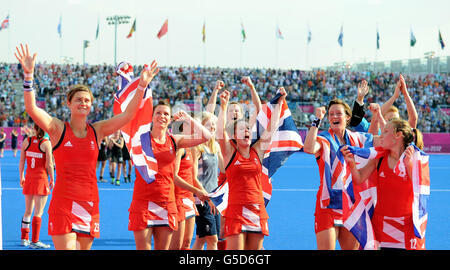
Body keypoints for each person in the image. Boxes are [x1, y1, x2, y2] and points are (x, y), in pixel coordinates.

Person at [15, 43, 160, 250]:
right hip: (63, 202)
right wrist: (28, 77)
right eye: (78, 100)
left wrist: (141, 86)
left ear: (91, 104)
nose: (83, 103)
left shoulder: (97, 130)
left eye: (87, 100)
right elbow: (31, 108)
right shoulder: (57, 129)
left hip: (89, 202)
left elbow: (128, 115)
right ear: (69, 104)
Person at [128, 102, 213, 250]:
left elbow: (206, 136)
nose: (162, 116)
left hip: (167, 203)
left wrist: (187, 118)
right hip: (143, 203)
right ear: (152, 117)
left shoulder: (174, 140)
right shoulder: (140, 140)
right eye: (158, 113)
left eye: (166, 114)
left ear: (170, 119)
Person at [303, 98, 380, 250]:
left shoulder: (355, 138)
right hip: (328, 206)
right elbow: (309, 148)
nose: (334, 117)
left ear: (347, 117)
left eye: (338, 113)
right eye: (331, 114)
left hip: (350, 205)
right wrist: (316, 120)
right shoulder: (324, 139)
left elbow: (373, 141)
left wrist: (377, 115)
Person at [216, 87, 286, 250]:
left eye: (248, 128)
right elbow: (220, 132)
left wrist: (280, 104)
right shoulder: (229, 152)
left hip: (257, 209)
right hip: (236, 210)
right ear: (234, 135)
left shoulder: (257, 151)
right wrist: (223, 106)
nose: (246, 130)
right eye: (242, 129)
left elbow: (271, 129)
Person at [341, 116, 425, 250]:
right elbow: (359, 179)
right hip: (381, 225)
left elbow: (418, 188)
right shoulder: (379, 158)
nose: (380, 135)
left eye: (385, 131)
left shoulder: (414, 159)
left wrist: (408, 164)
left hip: (406, 226)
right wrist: (351, 163)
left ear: (398, 135)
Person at [169, 119, 210, 250]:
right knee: (176, 245)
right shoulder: (180, 149)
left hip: (189, 200)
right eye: (191, 128)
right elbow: (174, 177)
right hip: (178, 200)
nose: (194, 131)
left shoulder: (193, 150)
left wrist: (204, 192)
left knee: (187, 243)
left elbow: (193, 177)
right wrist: (196, 191)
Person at [191, 111, 225, 250]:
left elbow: (224, 169)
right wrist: (207, 197)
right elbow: (193, 177)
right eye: (209, 126)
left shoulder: (215, 146)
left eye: (214, 126)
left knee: (202, 238)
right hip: (202, 198)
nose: (212, 128)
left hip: (213, 198)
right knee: (213, 239)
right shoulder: (197, 147)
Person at [19, 123, 54, 248]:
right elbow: (49, 164)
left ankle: (24, 238)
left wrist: (21, 176)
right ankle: (35, 241)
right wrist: (52, 179)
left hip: (29, 178)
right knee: (38, 213)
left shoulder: (26, 141)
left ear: (34, 129)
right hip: (41, 179)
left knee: (28, 211)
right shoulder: (46, 143)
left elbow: (22, 160)